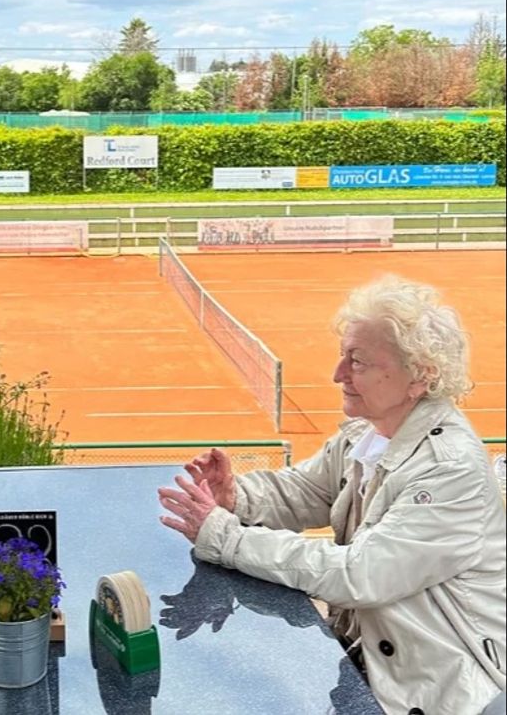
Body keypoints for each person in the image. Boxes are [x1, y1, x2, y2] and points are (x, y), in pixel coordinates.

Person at [158, 276, 506, 715]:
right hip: (369, 667)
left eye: (357, 361)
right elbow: (306, 489)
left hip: (440, 692)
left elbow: (360, 574)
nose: (338, 374)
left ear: (420, 375)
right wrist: (236, 497)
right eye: (343, 357)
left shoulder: (448, 469)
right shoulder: (369, 433)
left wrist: (227, 538)